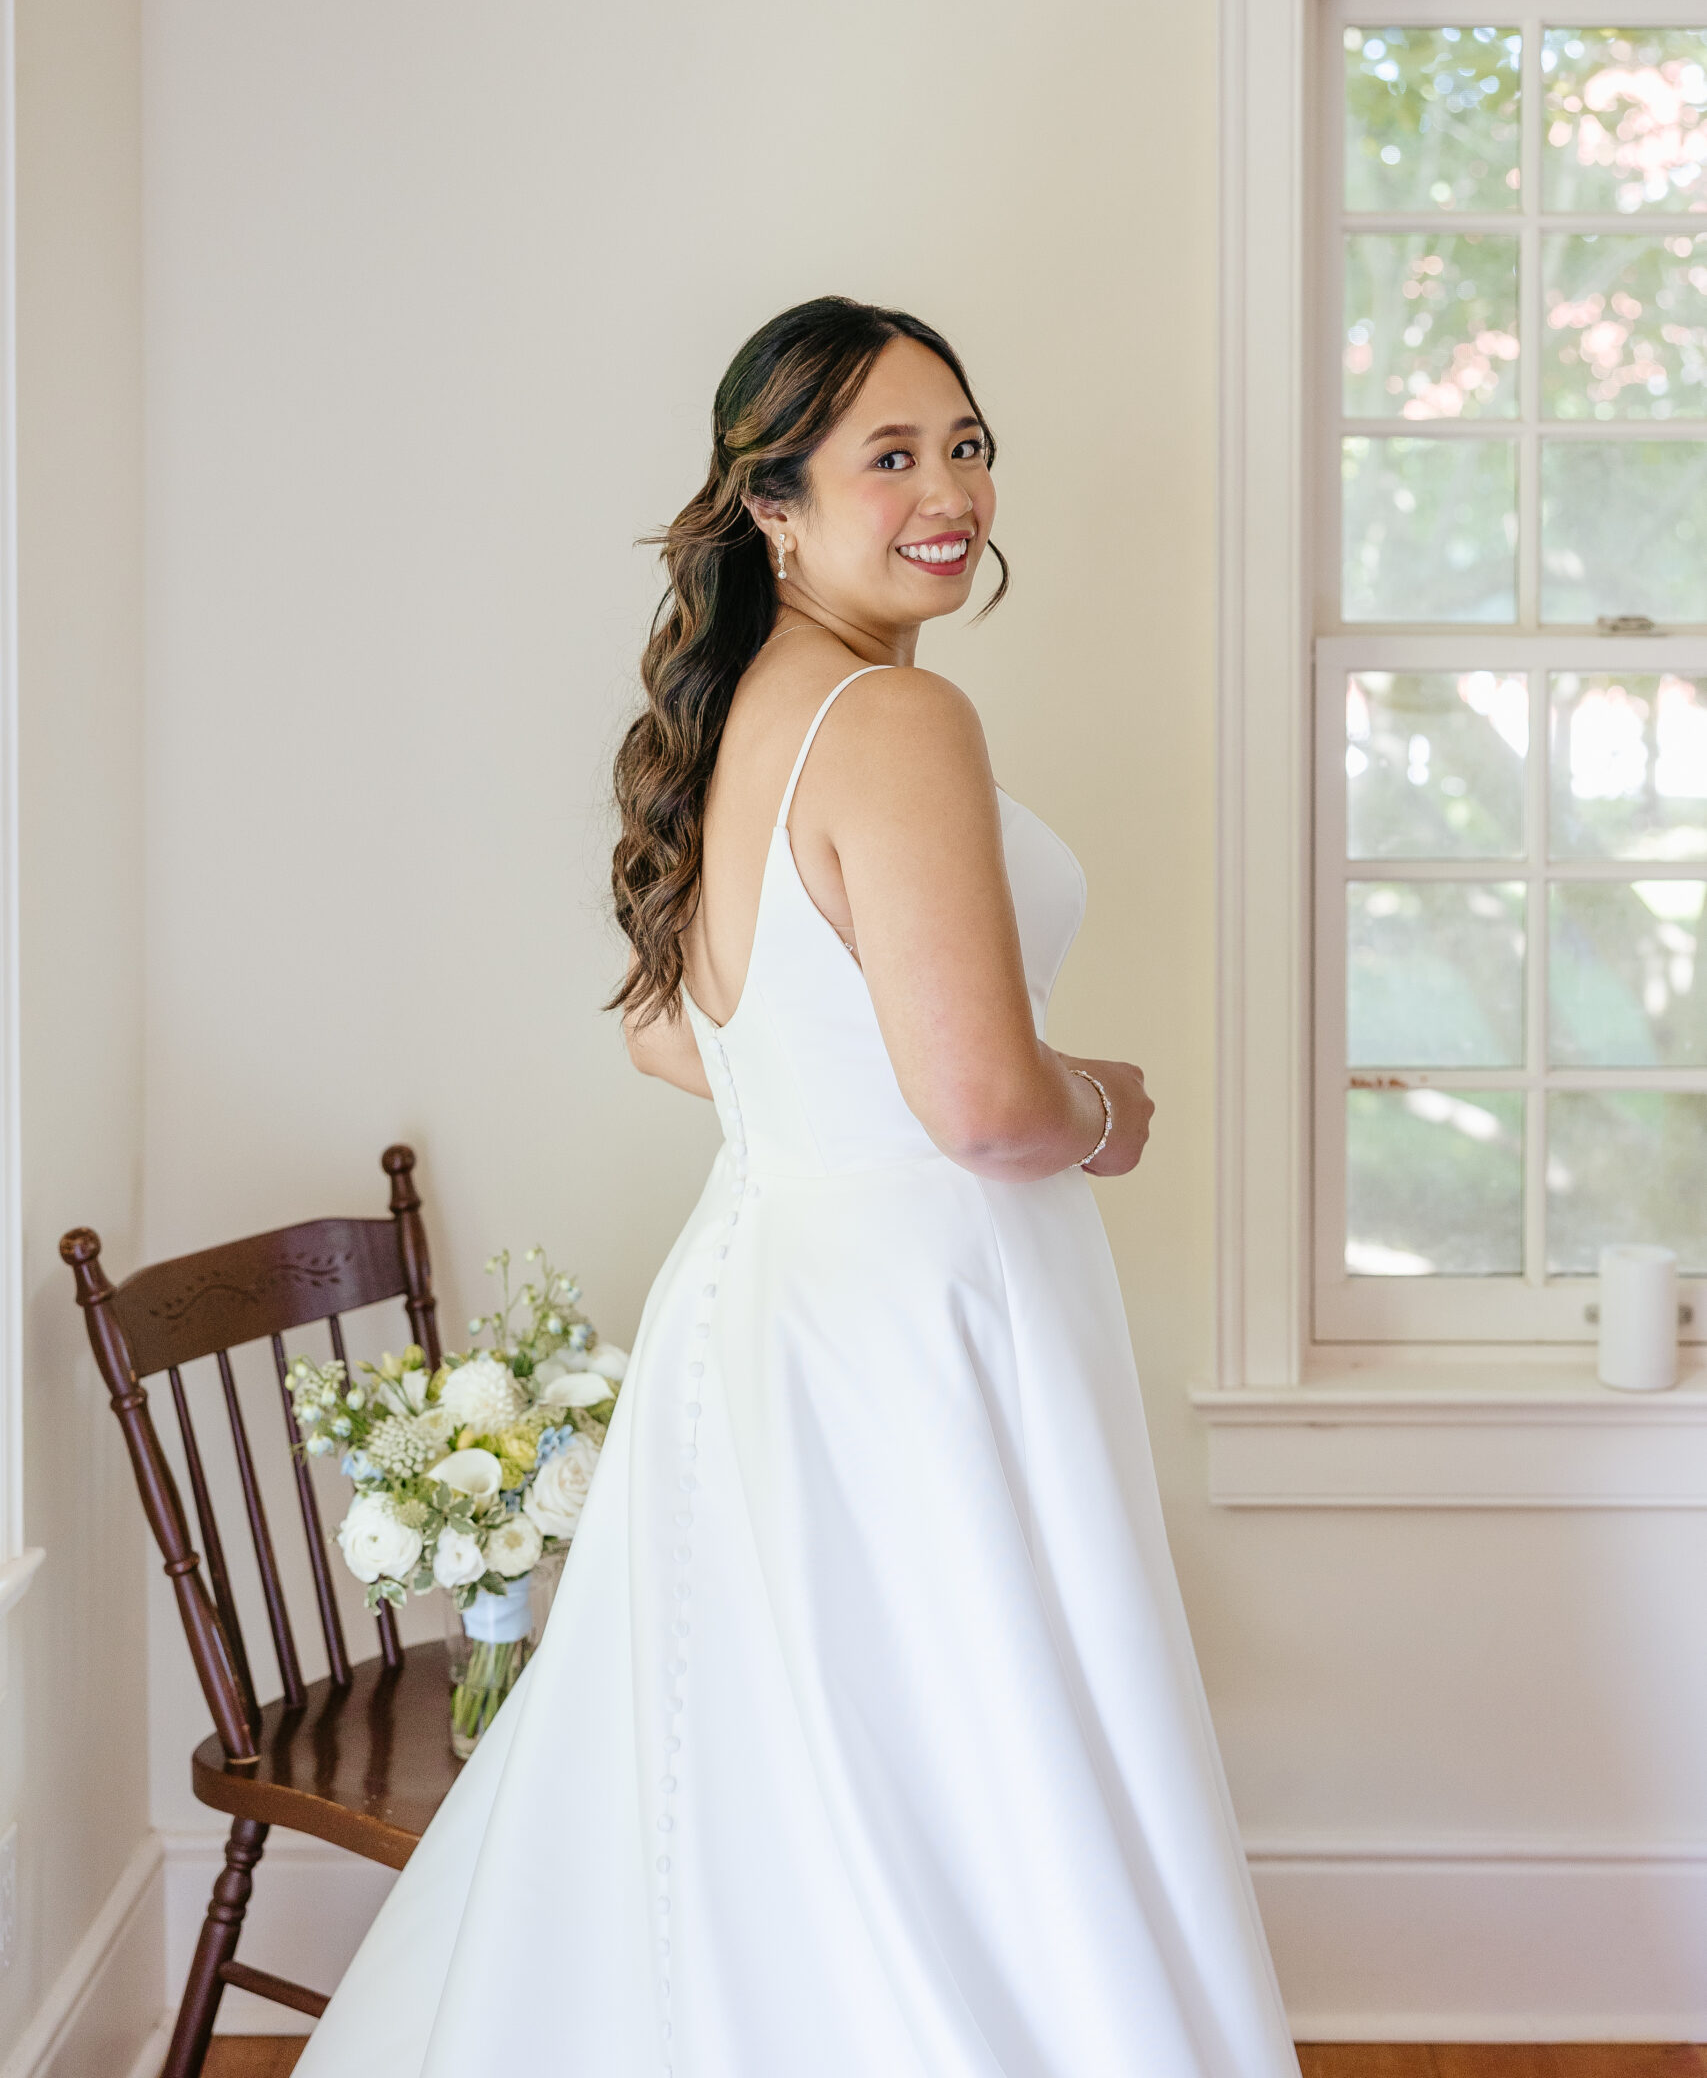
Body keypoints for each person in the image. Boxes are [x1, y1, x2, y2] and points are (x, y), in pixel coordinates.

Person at [298, 297, 1297, 2078]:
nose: (950, 494)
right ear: (771, 502)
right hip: (916, 1322)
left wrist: (888, 1094)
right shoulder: (898, 722)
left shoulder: (739, 714)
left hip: (770, 1303)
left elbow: (674, 1038)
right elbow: (984, 1109)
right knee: (958, 1775)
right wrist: (1099, 1103)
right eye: (888, 457)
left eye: (966, 446)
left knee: (783, 1778)